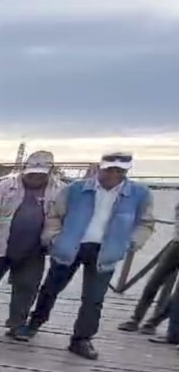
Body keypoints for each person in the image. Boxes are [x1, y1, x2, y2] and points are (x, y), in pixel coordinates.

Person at [15, 152, 155, 359]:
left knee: (94, 298)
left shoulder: (140, 194)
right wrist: (53, 239)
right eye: (109, 169)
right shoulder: (75, 189)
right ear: (100, 168)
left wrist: (131, 243)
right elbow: (55, 216)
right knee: (50, 289)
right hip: (70, 246)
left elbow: (145, 223)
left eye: (119, 170)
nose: (113, 174)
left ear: (126, 171)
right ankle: (33, 324)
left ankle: (81, 339)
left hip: (106, 251)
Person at [0, 150, 59, 337]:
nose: (35, 177)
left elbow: (60, 218)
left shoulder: (59, 190)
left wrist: (56, 241)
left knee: (27, 286)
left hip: (35, 248)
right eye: (32, 172)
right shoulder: (5, 186)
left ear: (49, 172)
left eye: (40, 174)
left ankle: (17, 325)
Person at [119, 198, 179, 333]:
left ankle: (154, 322)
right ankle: (136, 319)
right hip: (176, 244)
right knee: (154, 281)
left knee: (177, 295)